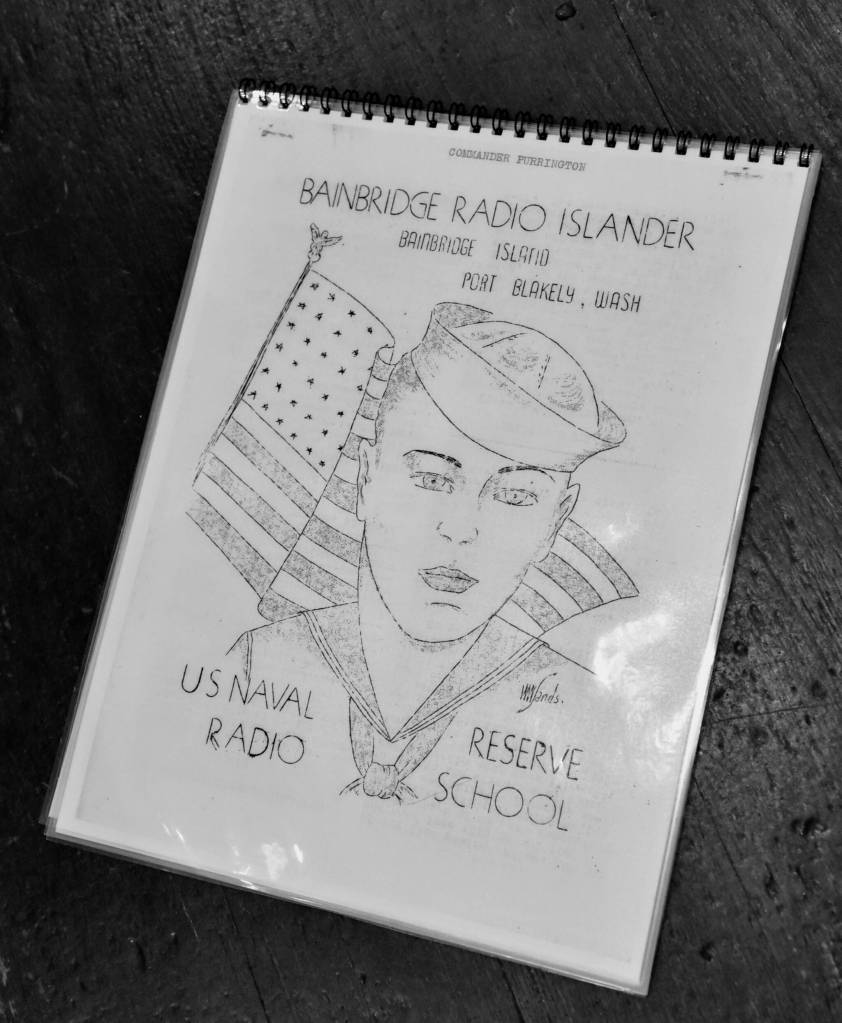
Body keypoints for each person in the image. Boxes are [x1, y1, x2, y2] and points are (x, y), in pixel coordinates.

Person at [230, 302, 627, 801]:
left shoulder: (575, 705)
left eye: (516, 496)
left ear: (556, 520)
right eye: (433, 479)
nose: (461, 529)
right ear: (366, 478)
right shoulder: (260, 660)